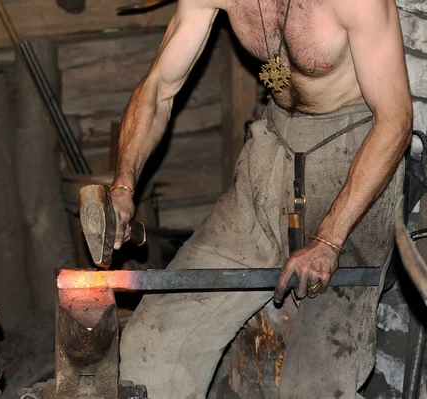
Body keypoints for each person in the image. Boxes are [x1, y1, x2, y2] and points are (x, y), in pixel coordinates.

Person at [109, 0, 413, 397]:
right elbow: (159, 89)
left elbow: (395, 120)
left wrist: (328, 240)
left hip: (353, 159)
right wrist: (122, 187)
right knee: (153, 343)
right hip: (269, 156)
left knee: (314, 384)